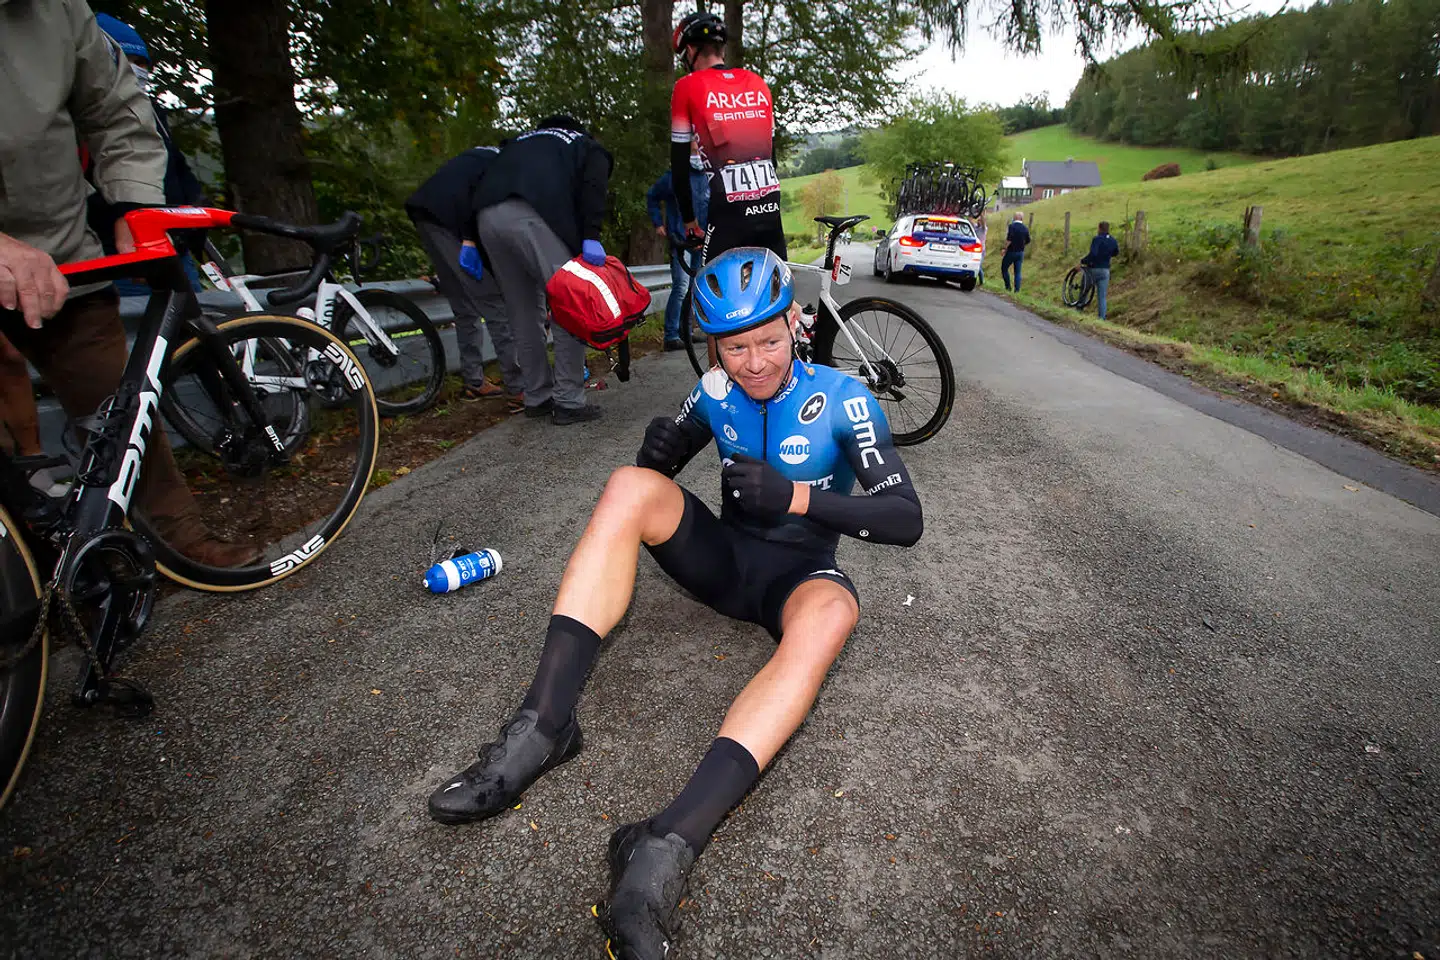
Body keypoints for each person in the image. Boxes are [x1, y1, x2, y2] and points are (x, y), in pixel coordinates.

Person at [425, 245, 924, 960]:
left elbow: (906, 519)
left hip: (797, 576)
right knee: (627, 487)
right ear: (713, 346)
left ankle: (662, 843)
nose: (754, 363)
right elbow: (654, 479)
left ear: (795, 323)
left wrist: (797, 497)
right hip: (721, 562)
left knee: (836, 614)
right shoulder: (714, 390)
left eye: (768, 341)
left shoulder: (845, 400)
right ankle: (542, 728)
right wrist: (655, 452)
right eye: (734, 348)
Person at [0, 0, 256, 568]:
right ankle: (27, 569)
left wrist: (133, 202)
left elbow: (118, 108)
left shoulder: (58, 11)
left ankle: (175, 536)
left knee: (117, 402)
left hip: (63, 250)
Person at [470, 117, 612, 425]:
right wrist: (591, 234)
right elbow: (593, 184)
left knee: (522, 311)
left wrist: (471, 238)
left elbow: (479, 180)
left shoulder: (518, 143)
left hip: (487, 217)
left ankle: (537, 396)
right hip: (535, 215)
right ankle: (569, 401)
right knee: (569, 305)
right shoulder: (584, 145)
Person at [87, 13, 207, 295]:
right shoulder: (82, 123)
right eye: (127, 60)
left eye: (142, 63)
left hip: (173, 250)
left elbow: (176, 169)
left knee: (191, 320)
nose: (136, 70)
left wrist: (194, 217)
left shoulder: (153, 114)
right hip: (117, 256)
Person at [405, 145, 524, 408]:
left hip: (425, 214)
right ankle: (519, 387)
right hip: (451, 221)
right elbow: (482, 212)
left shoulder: (481, 156)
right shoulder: (502, 166)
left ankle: (473, 380)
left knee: (463, 305)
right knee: (494, 303)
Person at [669, 12, 783, 264]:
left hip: (728, 214)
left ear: (690, 51)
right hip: (770, 207)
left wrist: (690, 223)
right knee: (776, 283)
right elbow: (771, 157)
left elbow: (679, 168)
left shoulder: (686, 87)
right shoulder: (757, 83)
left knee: (707, 284)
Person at [646, 140, 710, 351]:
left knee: (694, 288)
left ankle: (686, 332)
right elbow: (652, 196)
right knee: (681, 287)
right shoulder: (675, 176)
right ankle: (671, 335)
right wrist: (658, 223)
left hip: (702, 241)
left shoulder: (708, 177)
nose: (697, 153)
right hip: (681, 240)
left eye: (699, 149)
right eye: (693, 149)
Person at [1080, 220, 1121, 320]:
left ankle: (1079, 309)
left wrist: (1083, 261)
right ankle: (1102, 318)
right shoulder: (1113, 240)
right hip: (1105, 270)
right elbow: (1116, 252)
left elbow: (1093, 254)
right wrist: (1107, 255)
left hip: (1093, 269)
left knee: (1084, 289)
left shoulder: (1097, 239)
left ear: (1099, 228)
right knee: (1102, 297)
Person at [1000, 211, 1030, 292]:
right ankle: (1017, 290)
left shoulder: (1012, 226)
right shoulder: (1025, 228)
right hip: (1020, 252)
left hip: (1011, 251)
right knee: (1018, 272)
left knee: (1004, 268)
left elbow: (1009, 239)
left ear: (1015, 217)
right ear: (1022, 218)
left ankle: (1008, 287)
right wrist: (1022, 244)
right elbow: (1028, 240)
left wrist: (1004, 248)